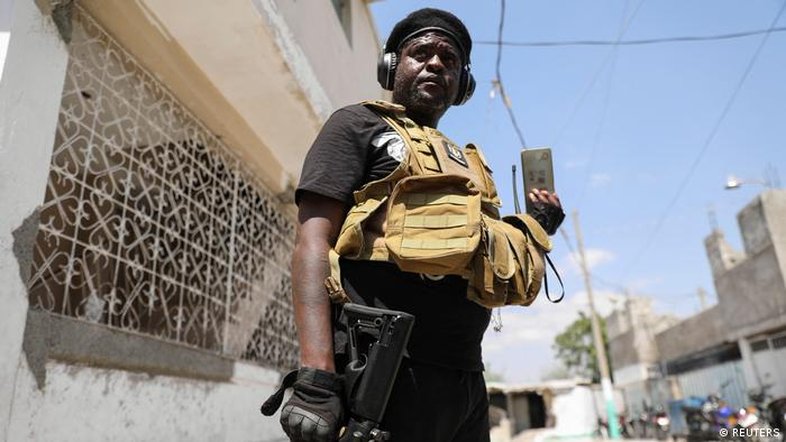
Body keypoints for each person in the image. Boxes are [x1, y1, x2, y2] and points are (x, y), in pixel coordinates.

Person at [278, 8, 564, 442]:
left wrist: (537, 224)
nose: (435, 64)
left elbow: (479, 252)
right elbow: (312, 243)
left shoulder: (468, 164)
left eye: (449, 60)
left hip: (467, 378)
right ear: (392, 67)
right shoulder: (358, 124)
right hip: (387, 375)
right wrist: (317, 374)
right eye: (421, 53)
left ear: (462, 84)